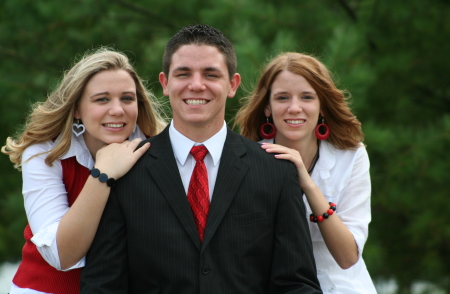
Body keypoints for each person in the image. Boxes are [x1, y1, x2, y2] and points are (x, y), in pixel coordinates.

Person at [81, 25, 322, 293]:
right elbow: (103, 284)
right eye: (183, 74)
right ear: (165, 83)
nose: (196, 85)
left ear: (232, 85)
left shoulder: (276, 172)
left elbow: (297, 284)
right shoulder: (125, 169)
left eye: (211, 74)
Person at [1, 48, 166, 294]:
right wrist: (103, 173)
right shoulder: (45, 153)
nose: (118, 110)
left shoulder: (159, 148)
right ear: (77, 109)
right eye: (102, 99)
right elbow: (62, 255)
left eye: (127, 98)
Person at [235, 52, 377, 293]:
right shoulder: (246, 159)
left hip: (342, 286)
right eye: (282, 97)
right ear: (268, 107)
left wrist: (307, 183)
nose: (294, 108)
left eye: (307, 97)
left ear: (322, 106)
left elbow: (347, 257)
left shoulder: (352, 156)